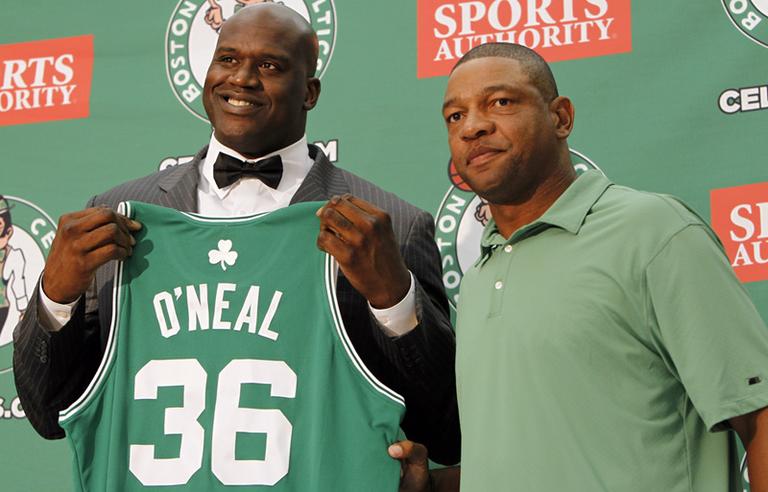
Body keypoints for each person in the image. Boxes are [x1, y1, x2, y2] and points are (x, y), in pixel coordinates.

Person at [12, 2, 460, 468]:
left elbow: (444, 432)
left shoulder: (394, 225)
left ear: (309, 92)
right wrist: (54, 297)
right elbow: (48, 413)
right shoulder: (117, 216)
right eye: (227, 59)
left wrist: (394, 300)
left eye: (269, 65)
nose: (242, 78)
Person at [390, 42, 768, 491]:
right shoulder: (476, 281)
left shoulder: (654, 232)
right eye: (455, 116)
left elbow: (758, 415)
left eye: (501, 102)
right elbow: (537, 462)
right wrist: (432, 486)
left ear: (561, 117)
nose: (473, 126)